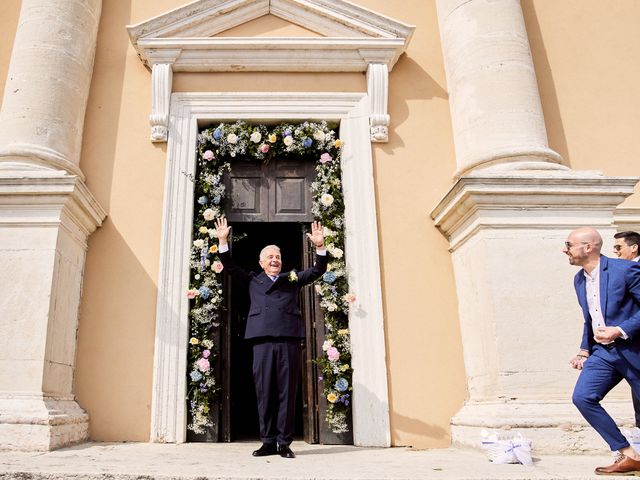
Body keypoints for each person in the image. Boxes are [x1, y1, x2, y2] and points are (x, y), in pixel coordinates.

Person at [214, 216, 328, 459]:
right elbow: (231, 267)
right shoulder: (254, 280)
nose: (275, 260)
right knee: (264, 391)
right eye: (270, 257)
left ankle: (284, 443)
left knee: (287, 391)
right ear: (261, 262)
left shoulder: (292, 279)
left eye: (277, 256)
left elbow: (318, 270)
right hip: (262, 342)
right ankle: (267, 441)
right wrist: (223, 241)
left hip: (288, 340)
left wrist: (319, 246)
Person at [565, 227, 640, 475]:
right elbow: (591, 319)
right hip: (604, 354)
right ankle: (629, 455)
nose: (564, 249)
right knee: (583, 397)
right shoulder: (579, 279)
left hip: (634, 349)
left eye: (569, 244)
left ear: (589, 247)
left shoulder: (625, 269)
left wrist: (620, 329)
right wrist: (584, 351)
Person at [614, 231, 640, 431]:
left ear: (634, 247)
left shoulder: (632, 270)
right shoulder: (623, 269)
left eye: (618, 247)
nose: (615, 252)